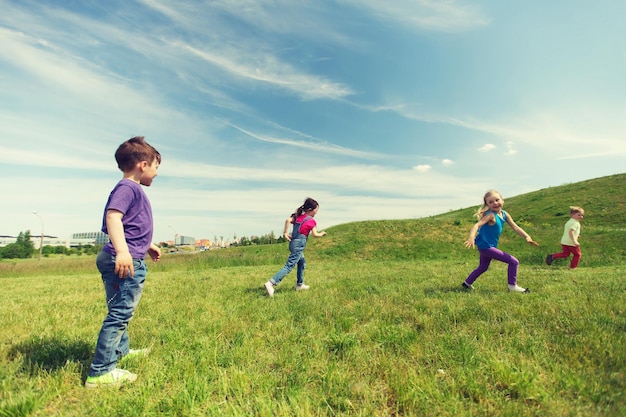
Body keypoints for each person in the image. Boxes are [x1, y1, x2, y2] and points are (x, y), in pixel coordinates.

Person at [85, 136, 162, 388]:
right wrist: (124, 251)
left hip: (117, 255)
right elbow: (113, 218)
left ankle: (120, 351)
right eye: (156, 166)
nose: (157, 172)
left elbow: (127, 224)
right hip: (123, 259)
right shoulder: (128, 188)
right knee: (120, 312)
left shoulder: (127, 189)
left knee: (118, 308)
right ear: (142, 164)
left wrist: (146, 244)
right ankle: (100, 373)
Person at [462, 190, 539, 293]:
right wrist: (471, 237)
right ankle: (512, 286)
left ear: (503, 200)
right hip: (486, 247)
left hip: (488, 245)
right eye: (490, 202)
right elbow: (477, 225)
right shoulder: (491, 216)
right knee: (513, 261)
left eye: (497, 200)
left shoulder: (505, 214)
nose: (495, 203)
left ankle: (467, 283)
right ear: (487, 205)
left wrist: (527, 236)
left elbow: (515, 227)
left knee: (483, 267)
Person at [264, 198, 327, 297]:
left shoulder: (298, 217)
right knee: (289, 265)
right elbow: (315, 235)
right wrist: (322, 234)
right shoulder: (311, 221)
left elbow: (288, 220)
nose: (316, 212)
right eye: (316, 210)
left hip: (293, 243)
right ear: (310, 209)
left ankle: (300, 284)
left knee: (301, 262)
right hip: (299, 245)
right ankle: (271, 283)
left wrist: (285, 233)